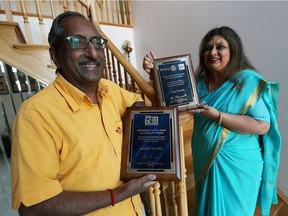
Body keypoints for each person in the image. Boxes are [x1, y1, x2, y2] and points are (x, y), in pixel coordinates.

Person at [11, 11, 157, 216]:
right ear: (55, 56)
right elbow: (34, 207)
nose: (92, 52)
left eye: (97, 42)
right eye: (77, 42)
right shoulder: (35, 116)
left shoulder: (109, 90)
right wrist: (120, 193)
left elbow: (138, 103)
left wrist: (142, 135)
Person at [143, 26, 281, 216]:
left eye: (220, 47)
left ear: (233, 50)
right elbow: (170, 101)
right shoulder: (197, 83)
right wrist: (154, 74)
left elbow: (262, 125)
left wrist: (218, 116)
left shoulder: (246, 81)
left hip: (238, 163)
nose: (213, 52)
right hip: (205, 156)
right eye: (208, 48)